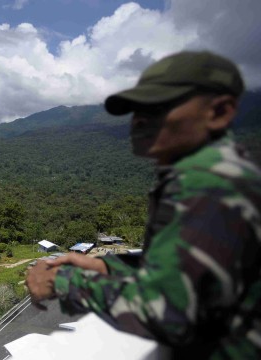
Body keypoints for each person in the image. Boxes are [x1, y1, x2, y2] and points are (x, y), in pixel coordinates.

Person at [25, 51, 261, 359]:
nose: (139, 119)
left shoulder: (209, 183)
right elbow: (191, 271)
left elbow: (169, 312)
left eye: (160, 106)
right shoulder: (220, 172)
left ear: (219, 112)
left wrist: (61, 280)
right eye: (137, 109)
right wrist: (105, 264)